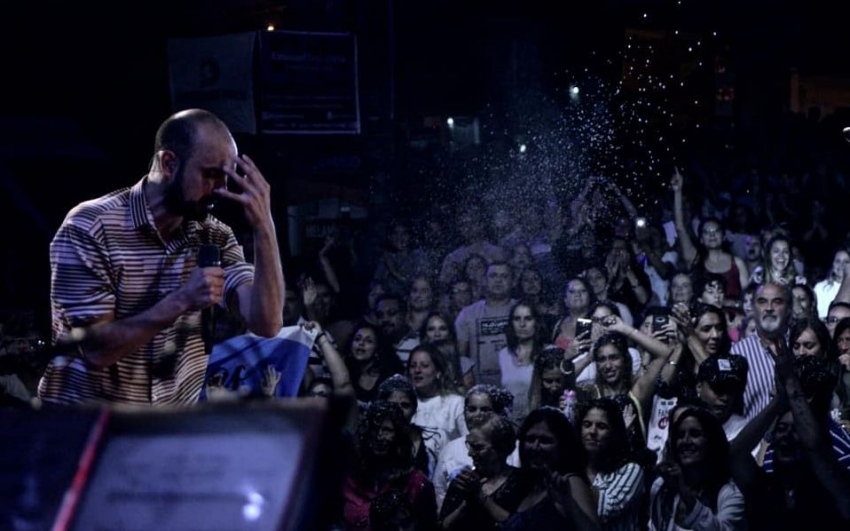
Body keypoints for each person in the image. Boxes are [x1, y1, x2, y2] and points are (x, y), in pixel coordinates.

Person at [39, 109, 284, 405]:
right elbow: (95, 350)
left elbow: (267, 322)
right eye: (211, 174)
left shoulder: (215, 236)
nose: (222, 189)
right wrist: (181, 300)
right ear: (169, 163)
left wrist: (264, 226)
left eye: (228, 177)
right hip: (88, 432)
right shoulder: (90, 227)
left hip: (166, 432)